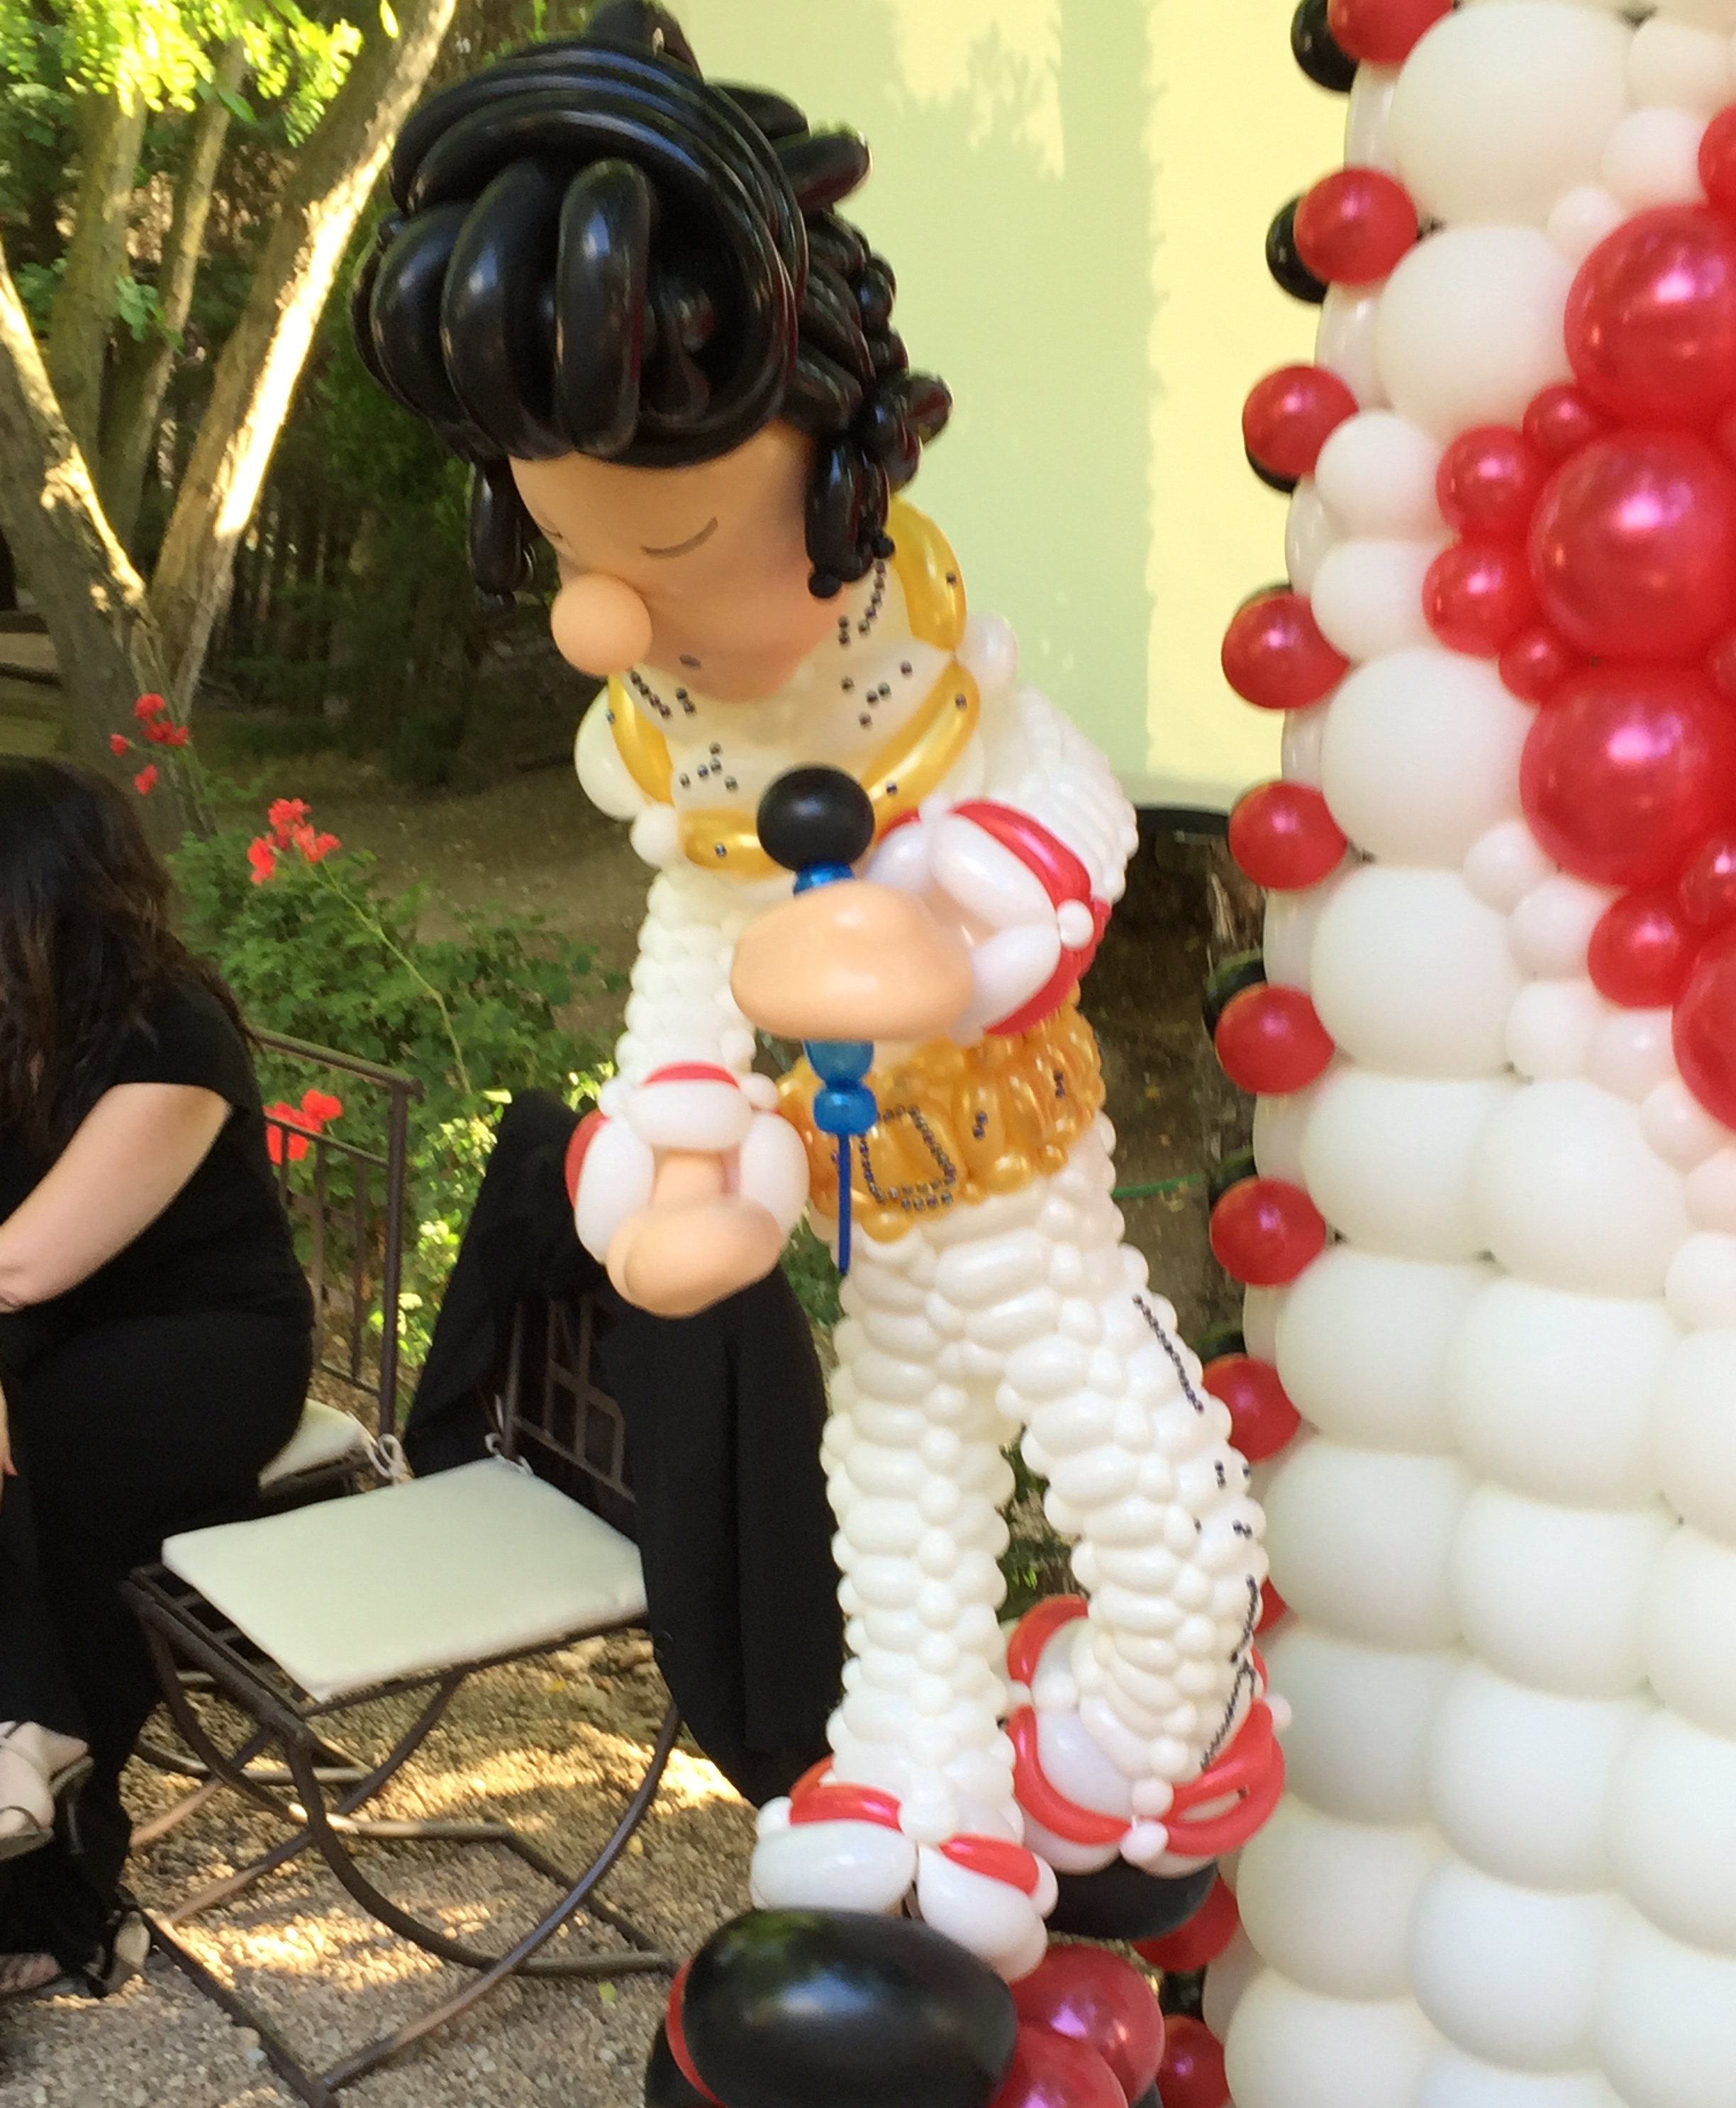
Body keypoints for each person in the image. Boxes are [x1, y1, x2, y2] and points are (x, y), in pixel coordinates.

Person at [357, 2, 1279, 1976]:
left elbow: (1066, 824)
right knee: (902, 1512)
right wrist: (671, 1155)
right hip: (872, 1221)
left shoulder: (944, 689)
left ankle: (1116, 1748)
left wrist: (946, 931)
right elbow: (694, 966)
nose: (605, 613)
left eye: (675, 541)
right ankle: (915, 1780)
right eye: (573, 547)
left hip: (1021, 1194)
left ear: (834, 469)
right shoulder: (694, 754)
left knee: (1164, 1532)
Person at [0, 757, 313, 1998]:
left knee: (53, 1485)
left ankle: (50, 1872)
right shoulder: (22, 1028)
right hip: (51, 1334)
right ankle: (29, 1744)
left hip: (203, 1347)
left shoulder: (169, 1037)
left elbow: (25, 1262)